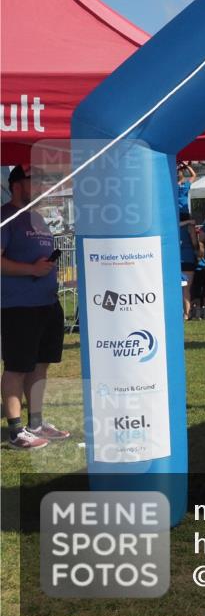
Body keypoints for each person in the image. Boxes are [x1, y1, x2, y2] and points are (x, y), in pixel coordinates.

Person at [1, 166, 71, 449]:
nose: (43, 188)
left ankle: (36, 423)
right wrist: (31, 268)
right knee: (17, 367)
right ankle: (16, 431)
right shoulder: (7, 217)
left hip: (47, 303)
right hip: (18, 306)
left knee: (40, 367)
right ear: (18, 184)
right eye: (36, 182)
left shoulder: (38, 218)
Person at [179, 211, 201, 319]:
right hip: (188, 258)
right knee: (186, 288)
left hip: (176, 259)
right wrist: (197, 249)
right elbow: (194, 241)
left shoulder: (173, 226)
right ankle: (186, 314)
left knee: (177, 287)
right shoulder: (189, 227)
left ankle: (178, 311)